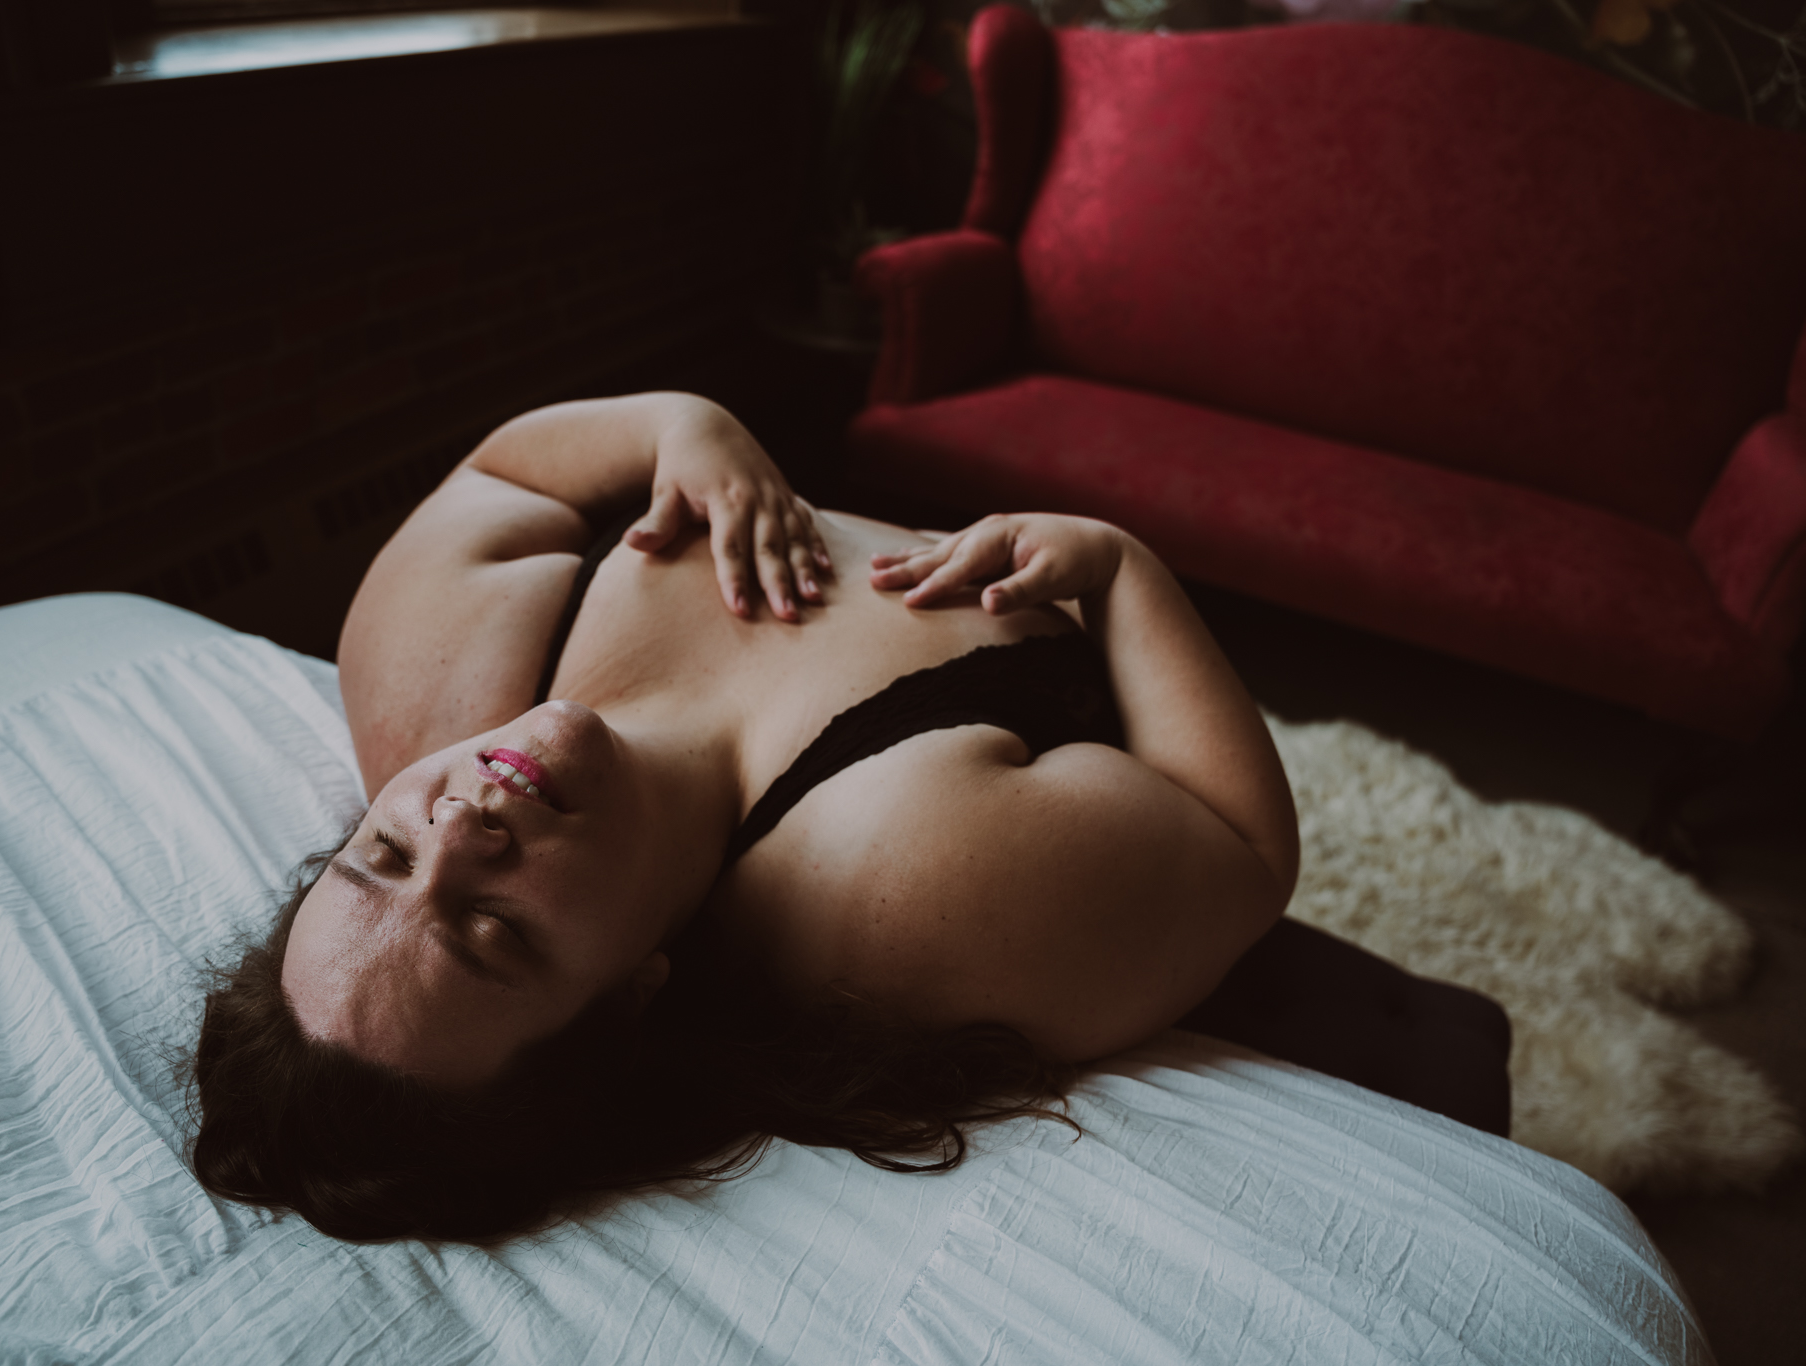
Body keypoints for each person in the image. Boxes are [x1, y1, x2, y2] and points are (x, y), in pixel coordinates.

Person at [189, 392, 1507, 1244]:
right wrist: (1121, 571)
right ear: (630, 996)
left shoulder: (427, 683)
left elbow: (500, 467)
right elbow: (1237, 845)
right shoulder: (892, 889)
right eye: (493, 931)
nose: (467, 819)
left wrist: (673, 426)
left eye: (382, 853)